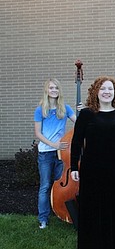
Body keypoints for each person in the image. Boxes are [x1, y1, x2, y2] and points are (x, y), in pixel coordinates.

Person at [70, 76, 115, 249]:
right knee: (93, 206)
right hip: (92, 169)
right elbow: (76, 141)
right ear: (95, 91)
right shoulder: (86, 114)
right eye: (103, 89)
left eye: (110, 89)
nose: (107, 92)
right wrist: (73, 166)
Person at [34, 78, 76, 229]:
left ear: (59, 90)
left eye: (56, 88)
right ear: (46, 90)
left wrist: (83, 112)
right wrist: (53, 144)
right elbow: (38, 133)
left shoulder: (65, 108)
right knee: (45, 186)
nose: (54, 90)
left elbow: (79, 123)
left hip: (61, 154)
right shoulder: (40, 110)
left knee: (61, 185)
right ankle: (43, 218)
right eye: (51, 88)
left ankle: (62, 212)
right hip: (45, 153)